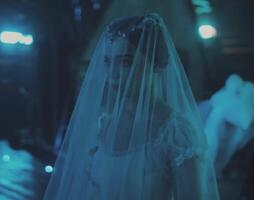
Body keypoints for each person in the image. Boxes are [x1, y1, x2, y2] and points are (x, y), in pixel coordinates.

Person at [43, 13, 219, 200]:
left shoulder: (176, 133)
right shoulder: (103, 127)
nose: (114, 74)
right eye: (109, 63)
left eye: (126, 62)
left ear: (157, 64)